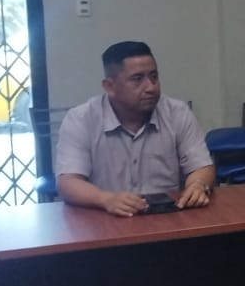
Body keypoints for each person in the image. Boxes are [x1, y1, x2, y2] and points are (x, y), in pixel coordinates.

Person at [56, 41, 215, 216]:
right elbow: (68, 182)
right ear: (110, 87)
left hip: (168, 217)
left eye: (154, 77)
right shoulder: (81, 119)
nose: (151, 87)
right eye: (137, 79)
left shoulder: (177, 113)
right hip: (106, 220)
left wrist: (198, 185)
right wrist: (106, 199)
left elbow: (201, 166)